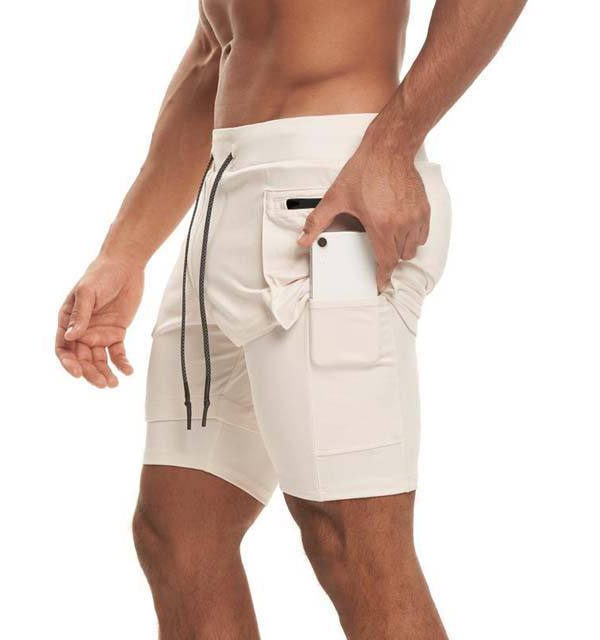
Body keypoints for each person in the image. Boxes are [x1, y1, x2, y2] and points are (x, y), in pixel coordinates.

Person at [55, 1, 526, 637]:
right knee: (178, 531)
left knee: (352, 542)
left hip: (330, 196)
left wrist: (392, 145)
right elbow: (212, 51)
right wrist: (124, 250)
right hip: (226, 194)